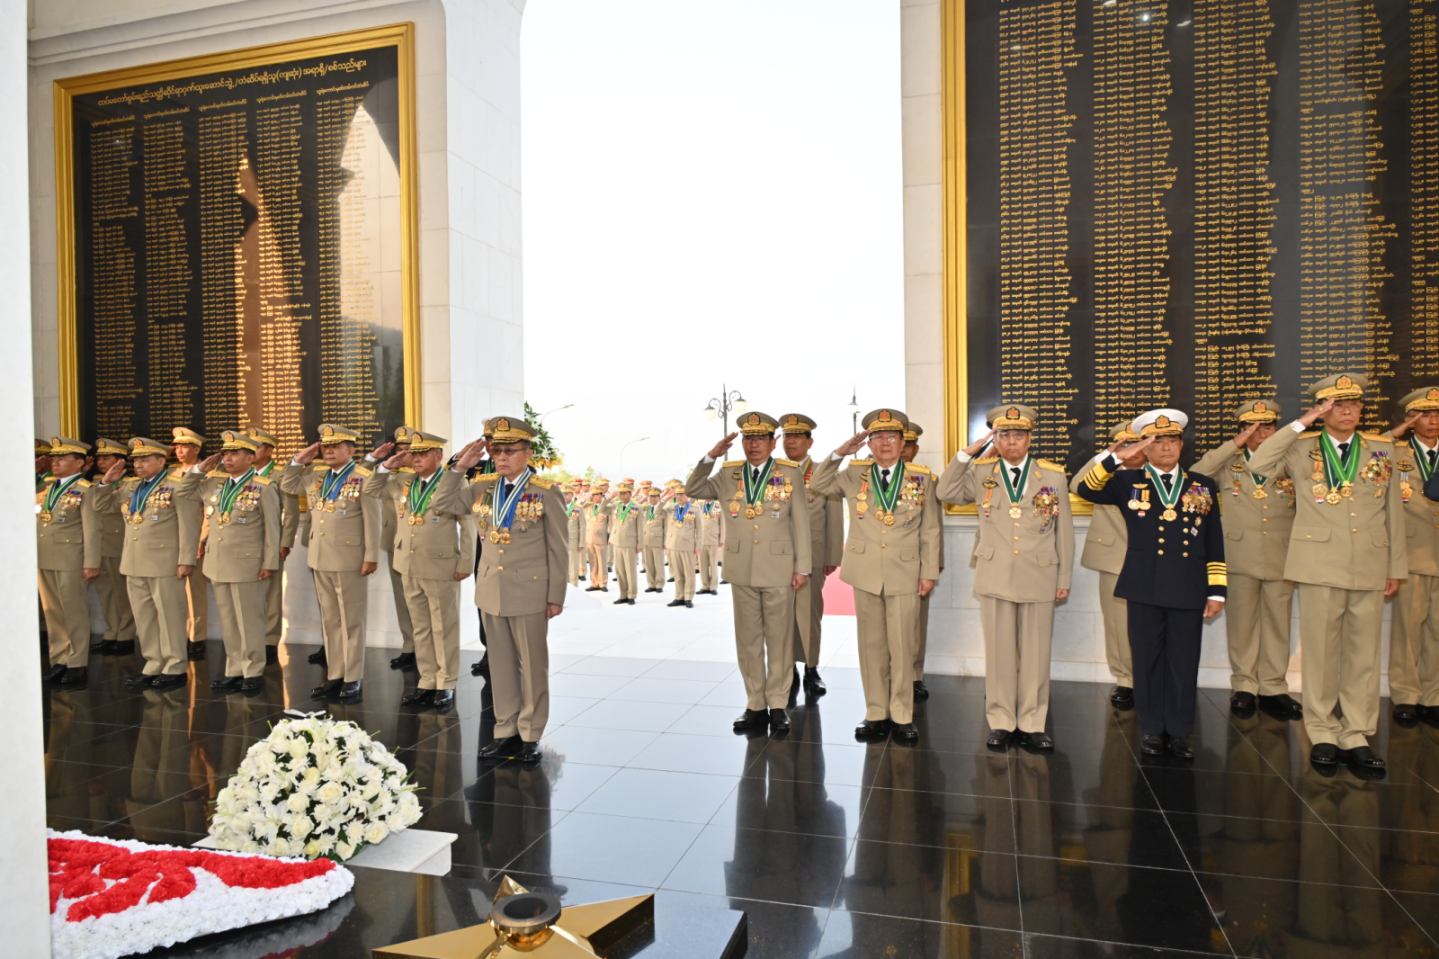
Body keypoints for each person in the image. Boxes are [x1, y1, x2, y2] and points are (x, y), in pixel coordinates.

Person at [1247, 374, 1405, 774]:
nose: (1347, 412)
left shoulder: (1381, 448)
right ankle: (1321, 730)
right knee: (1320, 652)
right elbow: (1259, 464)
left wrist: (1396, 566)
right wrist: (1301, 423)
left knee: (1363, 654)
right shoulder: (1300, 447)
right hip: (1318, 563)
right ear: (1321, 411)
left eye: (1353, 405)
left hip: (1369, 561)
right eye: (1337, 406)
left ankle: (1356, 732)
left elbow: (1393, 512)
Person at [1075, 409, 1226, 761]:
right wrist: (1115, 457)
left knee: (1184, 662)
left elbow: (1213, 540)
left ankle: (1180, 731)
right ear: (1146, 447)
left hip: (1188, 586)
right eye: (1157, 442)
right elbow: (1085, 488)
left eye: (1172, 440)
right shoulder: (1129, 482)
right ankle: (1153, 729)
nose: (1166, 448)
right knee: (1146, 661)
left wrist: (1217, 590)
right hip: (1144, 586)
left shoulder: (1202, 485)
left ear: (1181, 445)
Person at [938, 404, 1073, 751]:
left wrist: (1064, 577)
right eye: (1004, 435)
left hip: (1039, 573)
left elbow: (1064, 532)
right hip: (995, 572)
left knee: (1036, 653)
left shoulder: (1053, 476)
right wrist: (965, 455)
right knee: (999, 653)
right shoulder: (982, 472)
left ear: (1030, 439)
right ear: (995, 439)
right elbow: (945, 493)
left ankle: (1032, 722)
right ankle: (1000, 720)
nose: (1012, 441)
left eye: (1019, 435)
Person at [441, 416, 568, 763]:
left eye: (510, 451)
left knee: (532, 665)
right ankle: (505, 730)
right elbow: (443, 504)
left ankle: (530, 733)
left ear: (527, 452)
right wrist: (458, 468)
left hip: (529, 592)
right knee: (500, 665)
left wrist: (555, 596)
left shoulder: (545, 492)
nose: (501, 457)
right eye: (497, 451)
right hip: (491, 591)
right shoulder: (482, 487)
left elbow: (558, 548)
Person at [812, 409, 940, 744]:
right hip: (866, 571)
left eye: (891, 437)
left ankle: (902, 714)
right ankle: (875, 712)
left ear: (902, 443)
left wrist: (929, 572)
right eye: (878, 437)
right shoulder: (855, 474)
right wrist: (840, 452)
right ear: (868, 443)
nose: (885, 443)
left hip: (905, 572)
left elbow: (930, 530)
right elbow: (818, 483)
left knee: (903, 645)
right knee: (871, 646)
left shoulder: (921, 478)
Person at [686, 412, 812, 734]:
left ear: (772, 442)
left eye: (760, 439)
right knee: (748, 639)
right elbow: (694, 488)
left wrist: (802, 567)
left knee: (780, 639)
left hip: (779, 568)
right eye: (748, 439)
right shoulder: (728, 474)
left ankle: (778, 704)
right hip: (742, 568)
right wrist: (711, 456)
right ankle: (755, 703)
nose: (753, 444)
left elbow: (800, 522)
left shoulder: (789, 473)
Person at [1191, 400, 1302, 720]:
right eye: (1253, 428)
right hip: (1239, 556)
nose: (1262, 433)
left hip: (1281, 554)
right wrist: (1233, 445)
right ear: (1241, 431)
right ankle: (1244, 685)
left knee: (1278, 623)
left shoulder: (1290, 460)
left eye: (1268, 426)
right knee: (1242, 624)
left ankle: (1273, 687)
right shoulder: (1230, 463)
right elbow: (1196, 474)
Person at [369, 431, 476, 710]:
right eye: (413, 454)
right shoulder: (403, 482)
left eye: (423, 454)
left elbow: (468, 525)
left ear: (438, 455)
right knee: (420, 626)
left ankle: (446, 681)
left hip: (441, 565)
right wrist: (387, 465)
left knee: (444, 626)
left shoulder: (453, 482)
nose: (416, 459)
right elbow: (370, 490)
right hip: (408, 563)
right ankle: (427, 680)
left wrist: (466, 562)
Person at [279, 424, 381, 703]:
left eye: (336, 446)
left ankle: (353, 677)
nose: (329, 451)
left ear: (351, 450)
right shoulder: (316, 475)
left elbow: (373, 520)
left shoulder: (363, 478)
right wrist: (298, 461)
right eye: (326, 447)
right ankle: (335, 674)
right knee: (331, 620)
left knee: (352, 621)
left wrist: (371, 556)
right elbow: (287, 485)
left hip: (349, 559)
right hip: (320, 556)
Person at [92, 437, 202, 689]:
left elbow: (189, 525)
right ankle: (153, 664)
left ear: (161, 461)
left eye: (144, 459)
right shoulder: (131, 487)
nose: (138, 465)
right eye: (136, 460)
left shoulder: (177, 486)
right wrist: (106, 482)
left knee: (170, 616)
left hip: (165, 563)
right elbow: (100, 506)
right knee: (145, 618)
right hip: (133, 562)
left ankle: (175, 667)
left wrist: (186, 560)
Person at [191, 431, 281, 693]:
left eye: (235, 454)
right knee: (228, 621)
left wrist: (269, 563)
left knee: (249, 620)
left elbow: (272, 529)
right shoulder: (215, 484)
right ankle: (234, 669)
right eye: (226, 454)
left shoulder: (263, 487)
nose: (228, 459)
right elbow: (185, 491)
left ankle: (253, 671)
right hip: (218, 563)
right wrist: (198, 470)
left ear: (250, 457)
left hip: (247, 564)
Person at [1070, 422, 1143, 708]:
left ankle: (1151, 678)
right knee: (1117, 624)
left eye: (1137, 443)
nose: (1132, 450)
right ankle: (1126, 680)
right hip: (1114, 559)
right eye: (1126, 444)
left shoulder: (1159, 474)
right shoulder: (1104, 476)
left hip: (1153, 560)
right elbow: (1077, 484)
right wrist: (1107, 456)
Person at [780, 413, 842, 698]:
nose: (790, 441)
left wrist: (832, 555)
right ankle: (787, 668)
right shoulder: (774, 473)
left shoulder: (821, 473)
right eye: (786, 436)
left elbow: (834, 516)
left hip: (813, 555)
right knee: (781, 615)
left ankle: (811, 668)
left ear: (809, 441)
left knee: (808, 613)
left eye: (797, 436)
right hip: (777, 557)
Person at [1389, 387, 1439, 727]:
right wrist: (1398, 432)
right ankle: (1406, 695)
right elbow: (1368, 454)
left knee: (1437, 631)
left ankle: (1432, 696)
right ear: (1411, 419)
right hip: (1411, 553)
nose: (1433, 421)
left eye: (1437, 415)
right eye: (1425, 415)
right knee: (1407, 629)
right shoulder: (1396, 453)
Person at [36, 437, 103, 687]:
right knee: (52, 612)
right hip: (45, 556)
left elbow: (92, 530)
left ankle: (77, 663)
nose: (55, 462)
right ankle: (59, 658)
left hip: (71, 559)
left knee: (73, 611)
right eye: (54, 458)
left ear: (79, 463)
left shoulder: (86, 489)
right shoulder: (47, 488)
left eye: (62, 458)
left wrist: (91, 562)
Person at [248, 427, 299, 663]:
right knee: (248, 593)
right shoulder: (243, 474)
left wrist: (285, 541)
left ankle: (269, 640)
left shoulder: (280, 475)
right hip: (245, 542)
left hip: (272, 539)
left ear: (269, 451)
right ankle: (252, 639)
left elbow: (291, 511)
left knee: (271, 592)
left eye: (257, 447)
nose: (252, 451)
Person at [902, 420, 942, 700]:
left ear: (915, 449)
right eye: (900, 443)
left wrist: (933, 564)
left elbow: (934, 526)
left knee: (916, 624)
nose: (903, 449)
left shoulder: (926, 479)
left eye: (909, 445)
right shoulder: (870, 478)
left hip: (917, 563)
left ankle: (914, 674)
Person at [90, 438, 137, 657]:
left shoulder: (130, 485)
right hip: (99, 544)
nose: (100, 462)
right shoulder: (97, 483)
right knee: (105, 591)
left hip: (119, 543)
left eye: (106, 458)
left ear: (120, 461)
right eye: (99, 458)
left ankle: (125, 634)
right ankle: (111, 631)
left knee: (121, 592)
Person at [378, 426, 419, 671]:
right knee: (401, 598)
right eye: (399, 449)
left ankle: (424, 649)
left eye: (408, 449)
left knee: (419, 601)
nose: (403, 454)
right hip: (394, 541)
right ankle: (409, 645)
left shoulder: (423, 477)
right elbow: (370, 487)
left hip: (417, 546)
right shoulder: (389, 475)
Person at [172, 427, 209, 656]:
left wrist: (202, 539)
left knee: (194, 592)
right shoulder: (171, 474)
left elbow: (209, 510)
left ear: (196, 449)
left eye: (184, 446)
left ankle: (196, 637)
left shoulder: (207, 473)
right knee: (173, 592)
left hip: (194, 539)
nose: (179, 451)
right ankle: (180, 634)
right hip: (172, 540)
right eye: (177, 446)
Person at [606, 480, 644, 604]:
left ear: (630, 494)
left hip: (630, 542)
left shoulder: (636, 507)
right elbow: (602, 509)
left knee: (630, 570)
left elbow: (640, 527)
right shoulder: (615, 505)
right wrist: (610, 497)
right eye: (620, 493)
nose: (621, 495)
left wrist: (639, 544)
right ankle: (623, 594)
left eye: (624, 493)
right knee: (620, 570)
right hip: (617, 542)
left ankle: (631, 595)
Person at [664, 488, 700, 608]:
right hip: (673, 545)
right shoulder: (672, 508)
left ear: (687, 495)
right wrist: (668, 496)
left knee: (689, 573)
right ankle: (679, 596)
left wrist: (698, 546)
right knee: (677, 573)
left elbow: (700, 530)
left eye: (681, 494)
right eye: (677, 494)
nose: (679, 497)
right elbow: (660, 507)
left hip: (687, 545)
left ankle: (688, 597)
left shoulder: (695, 509)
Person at [641, 486, 668, 593]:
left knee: (658, 563)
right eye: (650, 496)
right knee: (649, 564)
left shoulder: (662, 511)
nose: (652, 499)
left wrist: (665, 541)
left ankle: (659, 584)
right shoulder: (646, 509)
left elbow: (666, 527)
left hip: (658, 540)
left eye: (655, 496)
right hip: (646, 540)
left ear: (659, 498)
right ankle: (651, 584)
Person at [582, 489, 610, 591]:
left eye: (597, 495)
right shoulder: (588, 506)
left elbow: (610, 524)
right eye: (593, 495)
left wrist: (609, 537)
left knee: (602, 562)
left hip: (601, 538)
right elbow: (579, 505)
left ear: (602, 496)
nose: (595, 497)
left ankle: (603, 583)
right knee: (592, 562)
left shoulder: (606, 507)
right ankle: (594, 583)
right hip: (589, 538)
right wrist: (587, 498)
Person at [698, 497, 725, 594]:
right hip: (701, 540)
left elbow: (722, 523)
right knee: (702, 565)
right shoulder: (699, 506)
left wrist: (722, 539)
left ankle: (713, 586)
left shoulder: (718, 506)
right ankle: (705, 585)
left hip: (713, 539)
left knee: (713, 564)